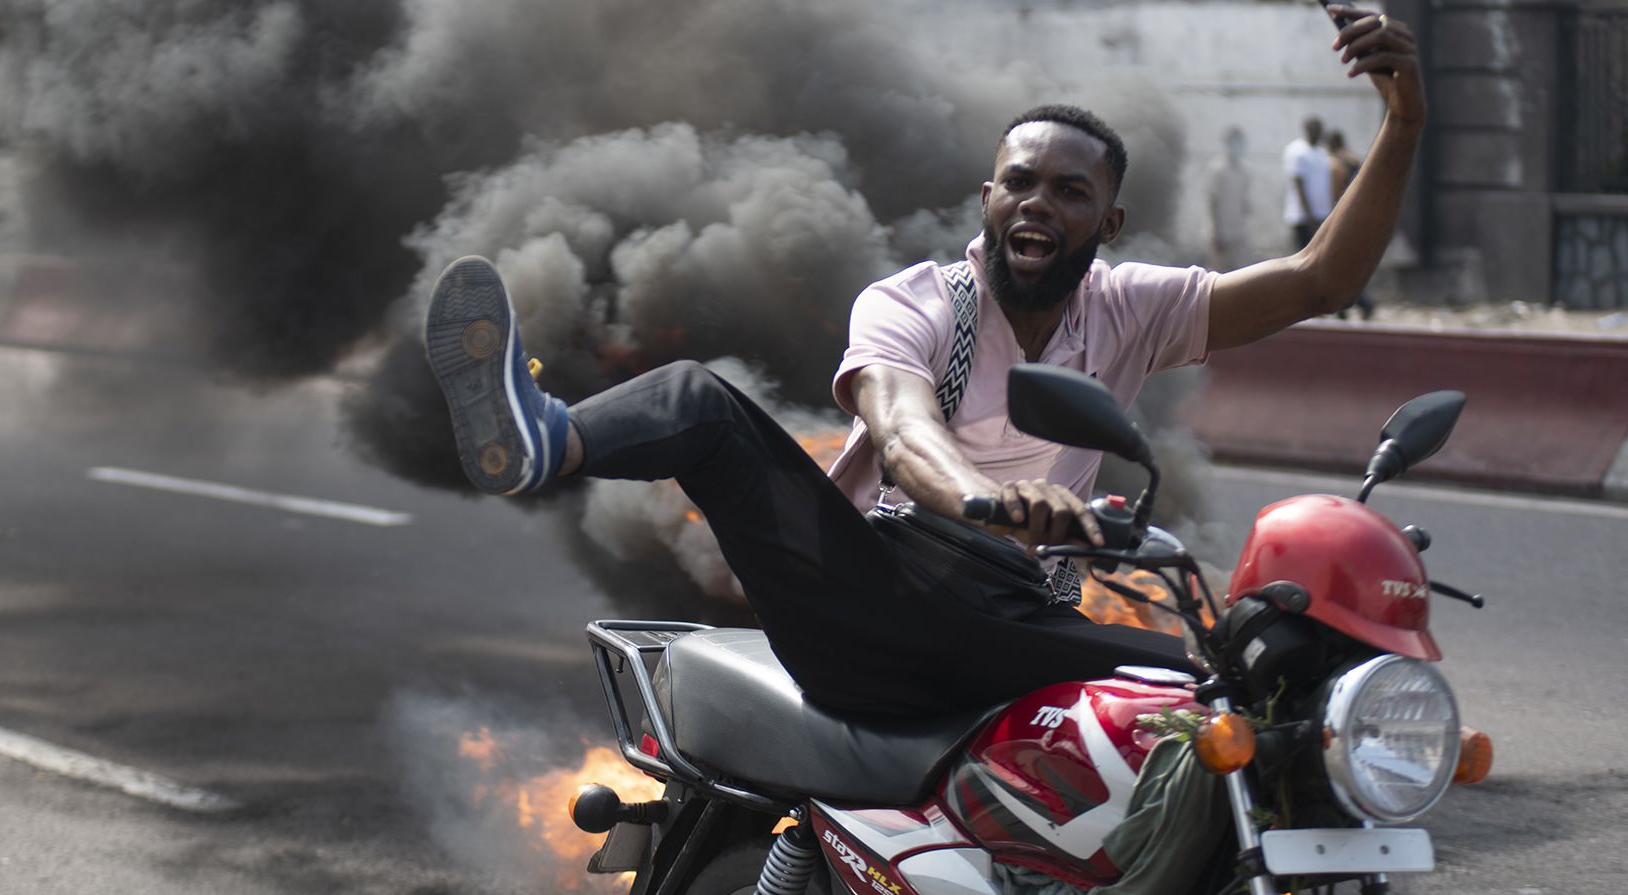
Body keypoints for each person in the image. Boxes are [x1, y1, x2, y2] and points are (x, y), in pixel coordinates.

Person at [424, 6, 1423, 717]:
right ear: (986, 198)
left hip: (1013, 624)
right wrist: (988, 502)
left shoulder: (1129, 308)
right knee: (701, 402)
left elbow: (1316, 281)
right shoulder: (911, 301)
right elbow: (904, 434)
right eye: (1019, 182)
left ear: (1107, 220)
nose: (1039, 202)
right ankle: (544, 436)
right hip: (861, 603)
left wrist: (1403, 117)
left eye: (1070, 192)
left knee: (1234, 682)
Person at [1325, 130, 1376, 319]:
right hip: (1362, 217)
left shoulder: (1336, 164)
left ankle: (1357, 305)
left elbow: (1335, 194)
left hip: (1344, 220)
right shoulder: (1355, 160)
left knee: (1338, 266)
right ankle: (1349, 307)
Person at [1204, 126, 1255, 271]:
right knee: (1218, 275)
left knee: (1241, 274)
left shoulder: (1246, 170)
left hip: (1239, 232)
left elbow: (1244, 201)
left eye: (1240, 142)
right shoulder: (1217, 169)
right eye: (1234, 142)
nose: (1237, 147)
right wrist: (1216, 233)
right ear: (1227, 144)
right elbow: (1212, 202)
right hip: (1220, 232)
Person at [1283, 115, 1333, 252]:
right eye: (1314, 129)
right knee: (1303, 255)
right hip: (1303, 218)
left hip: (1321, 215)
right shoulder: (1297, 151)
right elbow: (1298, 184)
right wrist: (1309, 216)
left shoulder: (1321, 152)